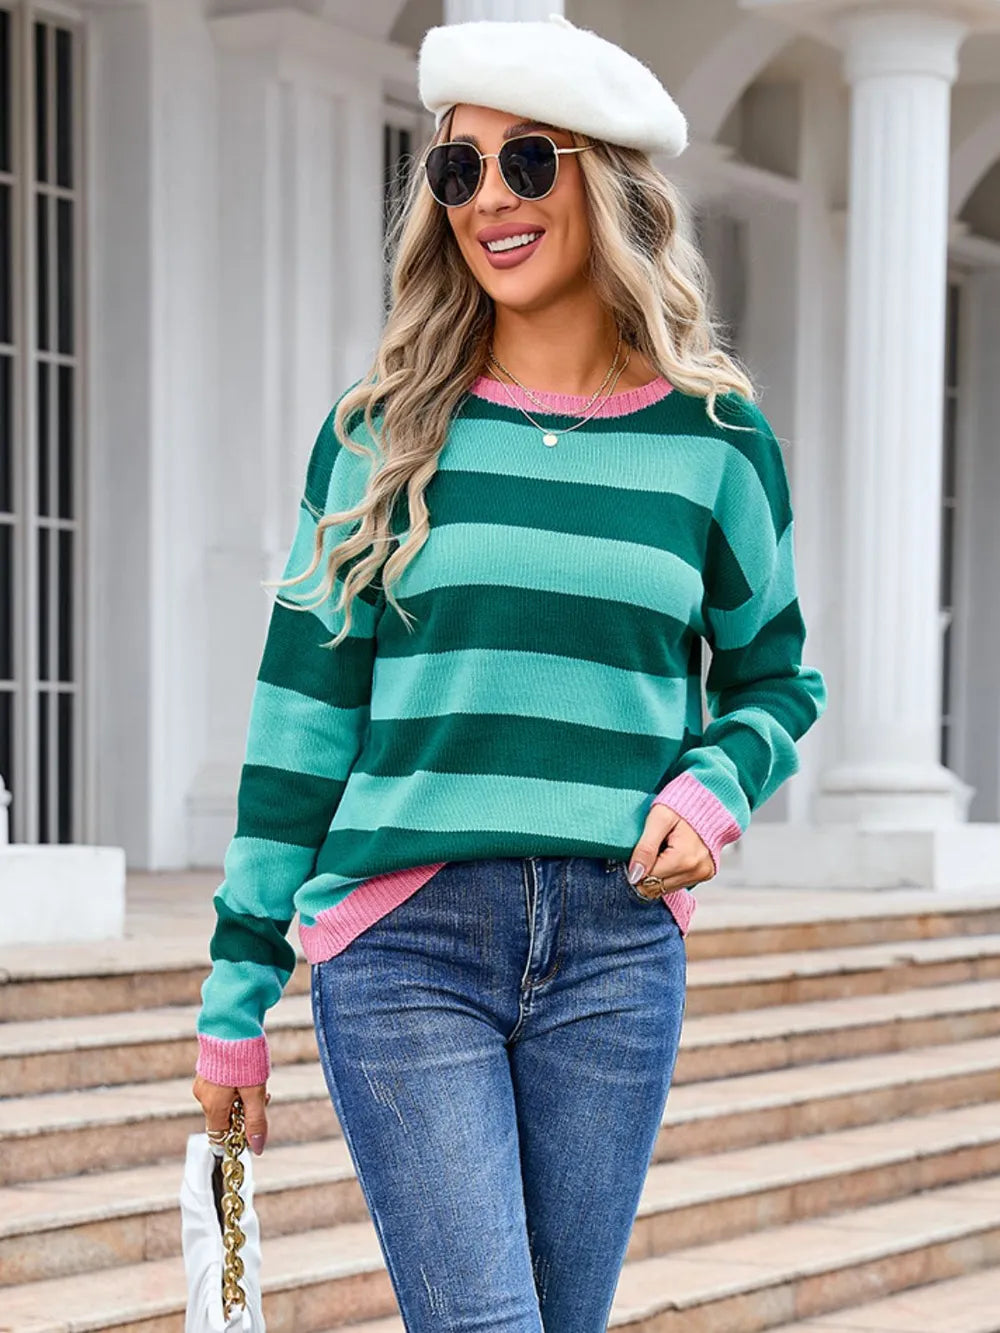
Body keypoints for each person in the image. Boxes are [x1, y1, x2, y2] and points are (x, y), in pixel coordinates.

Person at [192, 13, 827, 1331]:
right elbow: (300, 721)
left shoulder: (718, 442)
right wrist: (235, 995)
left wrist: (713, 792)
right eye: (457, 169)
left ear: (607, 181)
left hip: (616, 948)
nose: (489, 199)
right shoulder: (377, 435)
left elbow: (777, 680)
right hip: (405, 942)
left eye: (527, 162)